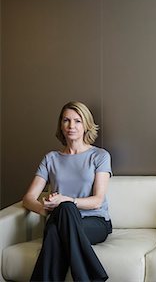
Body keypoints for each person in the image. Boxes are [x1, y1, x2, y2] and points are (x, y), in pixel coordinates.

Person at [23, 101, 112, 282]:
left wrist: (66, 200)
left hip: (94, 221)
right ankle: (94, 276)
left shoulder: (100, 156)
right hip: (59, 219)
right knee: (62, 212)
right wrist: (46, 209)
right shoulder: (51, 158)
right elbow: (28, 199)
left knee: (61, 217)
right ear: (61, 125)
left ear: (86, 124)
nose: (71, 126)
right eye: (66, 120)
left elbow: (97, 200)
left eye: (77, 121)